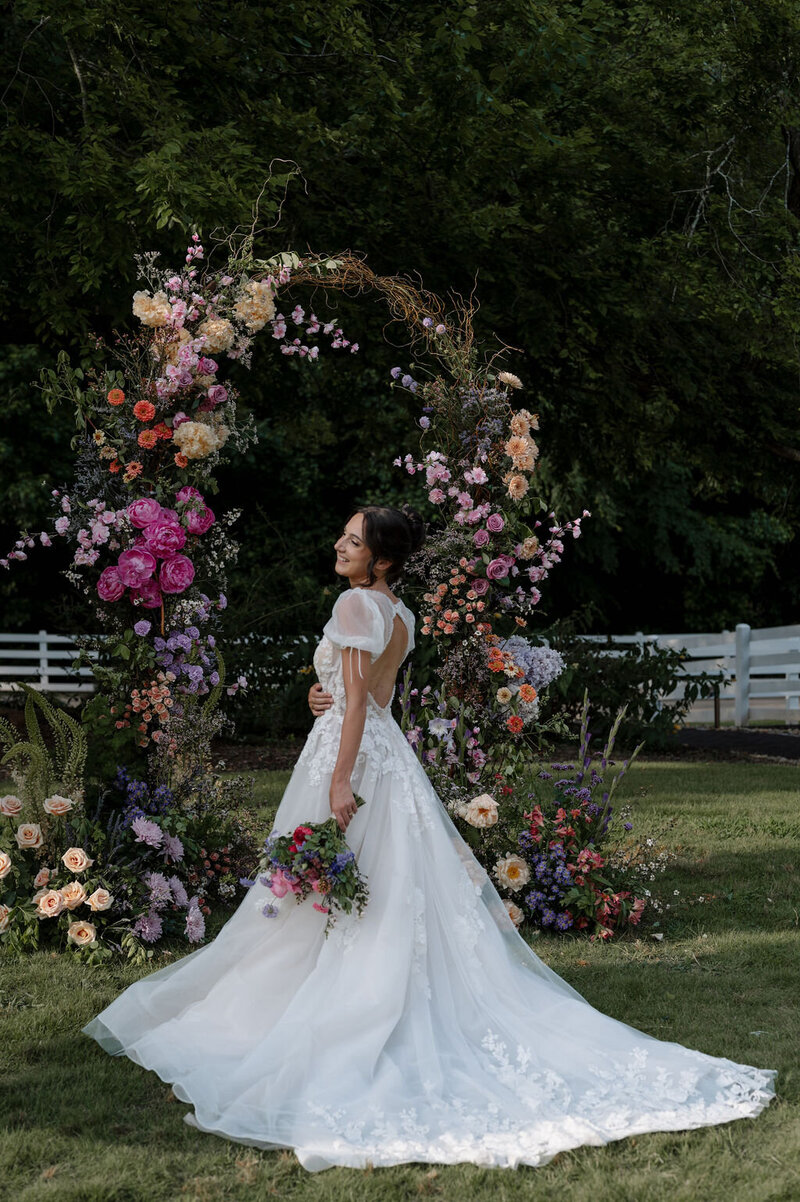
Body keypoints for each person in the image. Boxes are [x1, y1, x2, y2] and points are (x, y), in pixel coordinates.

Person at [83, 504, 775, 1172]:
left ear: (380, 557)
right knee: (372, 888)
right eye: (343, 537)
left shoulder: (354, 606)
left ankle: (310, 1008)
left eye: (352, 541)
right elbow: (365, 696)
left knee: (328, 887)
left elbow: (358, 702)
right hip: (388, 756)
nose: (339, 546)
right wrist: (315, 699)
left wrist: (339, 779)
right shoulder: (401, 613)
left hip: (351, 759)